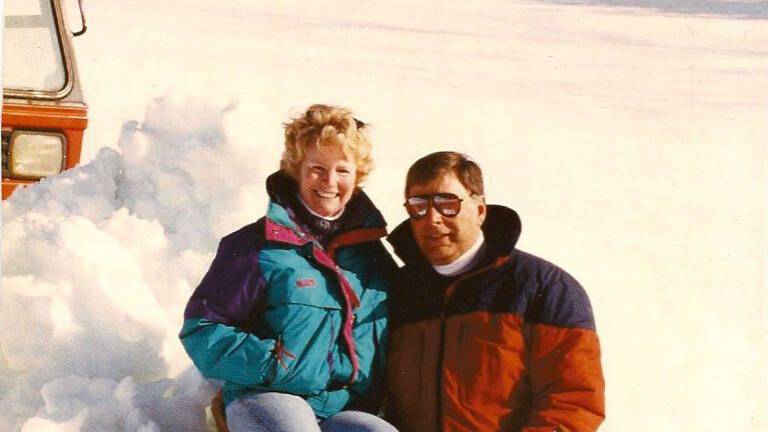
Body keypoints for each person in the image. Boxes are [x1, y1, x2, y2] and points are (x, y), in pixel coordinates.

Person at [180, 104, 398, 432]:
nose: (329, 181)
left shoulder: (372, 258)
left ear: (358, 175)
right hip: (267, 397)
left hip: (341, 407)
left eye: (342, 170)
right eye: (316, 168)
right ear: (296, 169)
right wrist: (272, 362)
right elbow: (202, 329)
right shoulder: (255, 246)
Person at [386, 151, 605, 432]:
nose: (432, 219)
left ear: (480, 210)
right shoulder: (397, 290)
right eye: (419, 205)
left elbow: (573, 401)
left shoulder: (545, 288)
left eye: (447, 204)